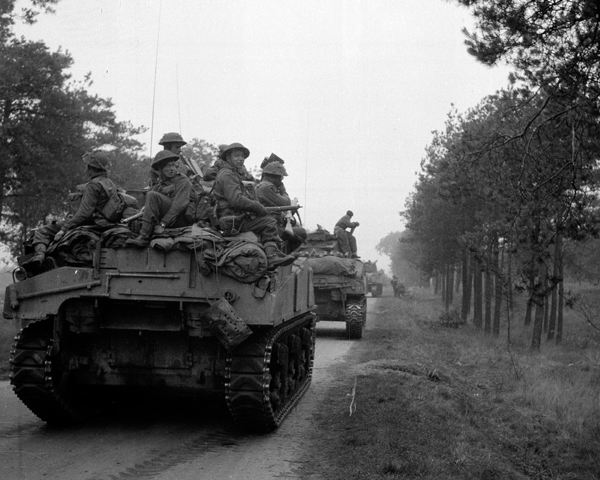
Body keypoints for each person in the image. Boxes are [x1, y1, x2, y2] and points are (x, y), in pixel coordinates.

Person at [25, 151, 127, 269]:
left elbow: (84, 213)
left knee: (42, 231)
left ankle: (39, 256)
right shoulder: (109, 183)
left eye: (87, 166)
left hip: (93, 223)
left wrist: (63, 229)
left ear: (90, 168)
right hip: (105, 223)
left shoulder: (93, 185)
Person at [212, 142, 294, 268]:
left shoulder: (231, 174)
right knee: (269, 222)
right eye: (237, 156)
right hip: (230, 219)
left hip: (233, 217)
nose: (241, 159)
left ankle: (272, 252)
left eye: (242, 156)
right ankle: (271, 256)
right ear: (228, 158)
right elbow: (236, 200)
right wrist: (257, 207)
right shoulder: (228, 175)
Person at [126, 150, 196, 247]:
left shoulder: (183, 180)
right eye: (168, 166)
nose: (172, 169)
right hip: (168, 218)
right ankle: (144, 231)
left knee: (152, 195)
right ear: (160, 168)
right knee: (151, 196)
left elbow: (179, 205)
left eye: (173, 165)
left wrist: (163, 224)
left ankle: (143, 236)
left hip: (180, 219)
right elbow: (151, 204)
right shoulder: (160, 183)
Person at [256, 159, 306, 251]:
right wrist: (283, 190)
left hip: (271, 224)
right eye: (281, 177)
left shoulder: (265, 186)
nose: (282, 180)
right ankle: (283, 255)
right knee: (302, 232)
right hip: (269, 227)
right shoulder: (266, 187)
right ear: (275, 177)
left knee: (295, 226)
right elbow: (286, 202)